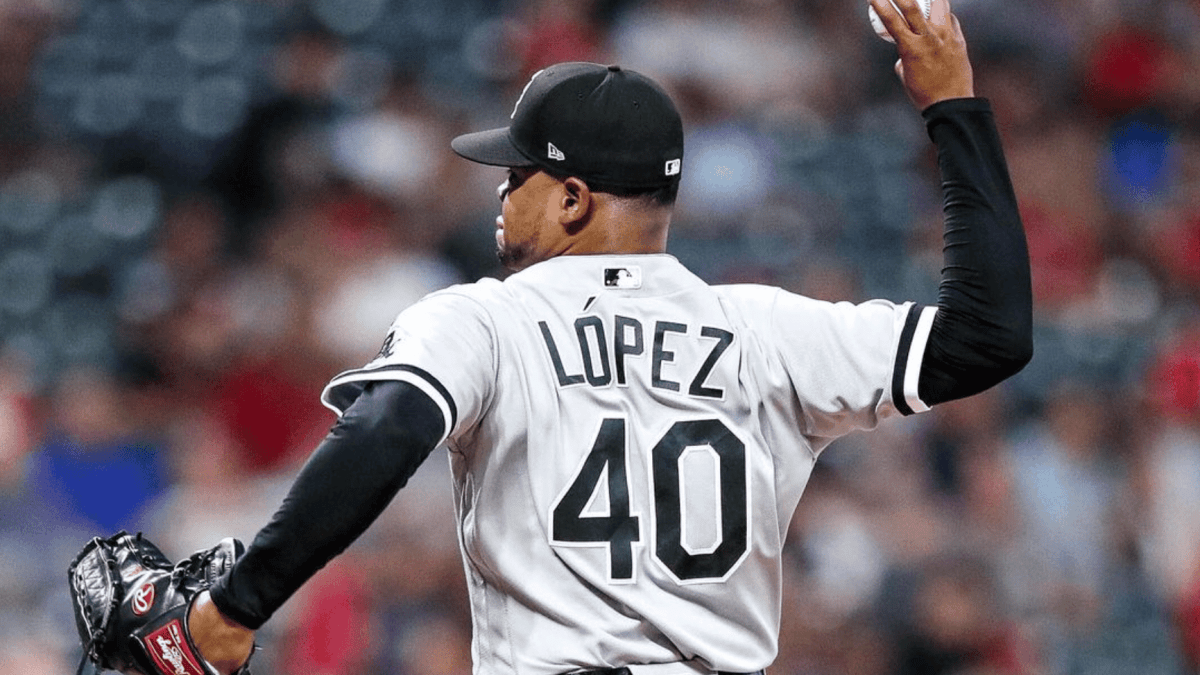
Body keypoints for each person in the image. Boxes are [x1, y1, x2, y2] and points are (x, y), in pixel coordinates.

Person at [185, 0, 1033, 673]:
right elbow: (988, 336)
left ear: (574, 200)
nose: (501, 196)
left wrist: (237, 605)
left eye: (519, 175)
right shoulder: (765, 328)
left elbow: (387, 426)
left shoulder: (484, 317)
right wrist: (953, 107)